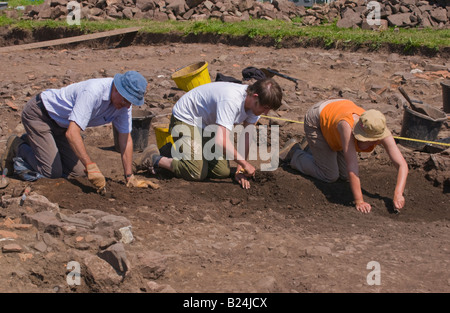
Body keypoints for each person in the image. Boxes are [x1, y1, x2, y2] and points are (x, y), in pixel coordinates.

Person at [0, 70, 148, 193]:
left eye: (131, 102)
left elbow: (125, 139)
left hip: (62, 125)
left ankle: (41, 145)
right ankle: (18, 145)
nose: (128, 106)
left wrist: (129, 176)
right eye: (126, 100)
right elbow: (72, 133)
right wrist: (90, 165)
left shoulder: (123, 106)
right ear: (117, 89)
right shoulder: (92, 92)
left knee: (78, 173)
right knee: (51, 173)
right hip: (40, 115)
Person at [133, 78, 283, 189]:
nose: (266, 112)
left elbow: (247, 134)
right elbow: (221, 141)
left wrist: (240, 168)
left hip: (208, 125)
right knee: (195, 172)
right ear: (255, 97)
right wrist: (244, 163)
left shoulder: (256, 106)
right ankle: (154, 158)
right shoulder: (231, 100)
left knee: (222, 172)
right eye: (265, 108)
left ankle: (179, 152)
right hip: (187, 119)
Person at [279, 99, 408, 213]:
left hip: (334, 121)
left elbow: (402, 165)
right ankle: (294, 153)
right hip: (317, 122)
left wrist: (398, 193)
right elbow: (352, 167)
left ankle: (313, 148)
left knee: (344, 175)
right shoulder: (348, 126)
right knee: (329, 175)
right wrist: (359, 201)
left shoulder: (379, 129)